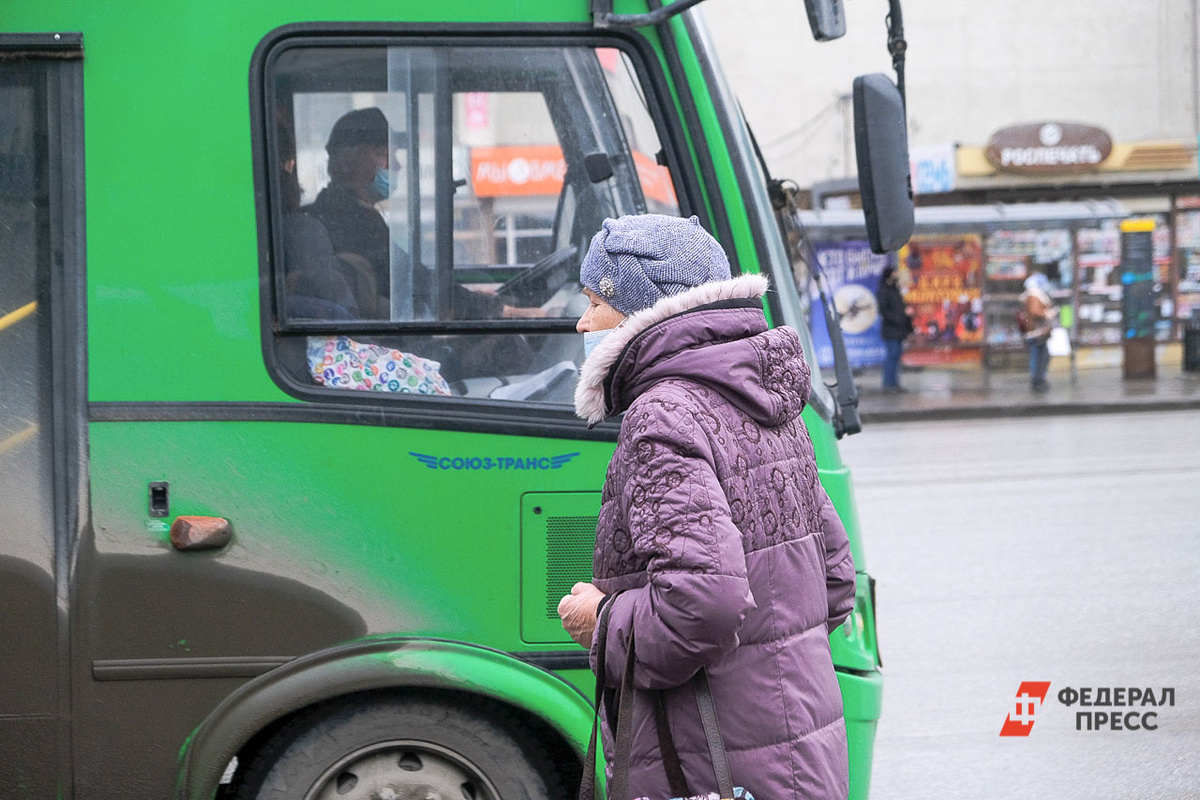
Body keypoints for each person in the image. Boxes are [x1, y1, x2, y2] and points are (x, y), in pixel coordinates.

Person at [557, 214, 856, 800]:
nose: (582, 322)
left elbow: (703, 606)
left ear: (641, 311)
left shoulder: (663, 415)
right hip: (800, 747)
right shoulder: (764, 402)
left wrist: (603, 619)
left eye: (594, 303)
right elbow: (835, 580)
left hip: (711, 762)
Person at [875, 265, 913, 392]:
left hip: (898, 330)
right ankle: (889, 384)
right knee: (891, 357)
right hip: (891, 329)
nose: (896, 276)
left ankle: (894, 383)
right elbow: (884, 311)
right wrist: (897, 319)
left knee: (895, 357)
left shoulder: (894, 290)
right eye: (894, 274)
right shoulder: (884, 291)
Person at [1020, 266, 1056, 392]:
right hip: (1036, 332)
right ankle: (1037, 381)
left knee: (1042, 356)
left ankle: (1039, 380)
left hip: (1037, 331)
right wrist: (1047, 313)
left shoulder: (1035, 295)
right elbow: (1035, 312)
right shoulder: (1034, 295)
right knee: (1039, 356)